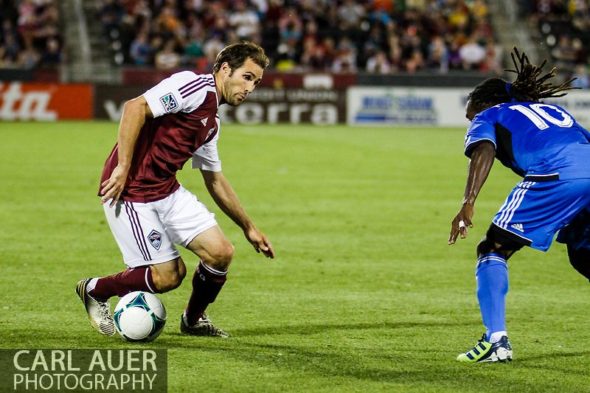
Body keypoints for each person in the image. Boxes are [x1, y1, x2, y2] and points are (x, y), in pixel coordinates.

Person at [76, 41, 275, 338]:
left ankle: (193, 320)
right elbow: (135, 107)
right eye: (247, 77)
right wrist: (122, 166)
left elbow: (215, 179)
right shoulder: (194, 87)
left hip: (166, 190)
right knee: (169, 277)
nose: (251, 88)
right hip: (130, 191)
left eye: (256, 82)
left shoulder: (212, 123)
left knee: (220, 253)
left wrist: (249, 227)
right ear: (224, 69)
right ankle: (94, 289)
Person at [448, 48, 590, 363]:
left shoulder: (491, 114)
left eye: (471, 114)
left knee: (493, 248)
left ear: (483, 102)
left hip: (555, 175)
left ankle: (496, 342)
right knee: (583, 255)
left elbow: (483, 149)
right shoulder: (556, 113)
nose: (471, 120)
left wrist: (467, 202)